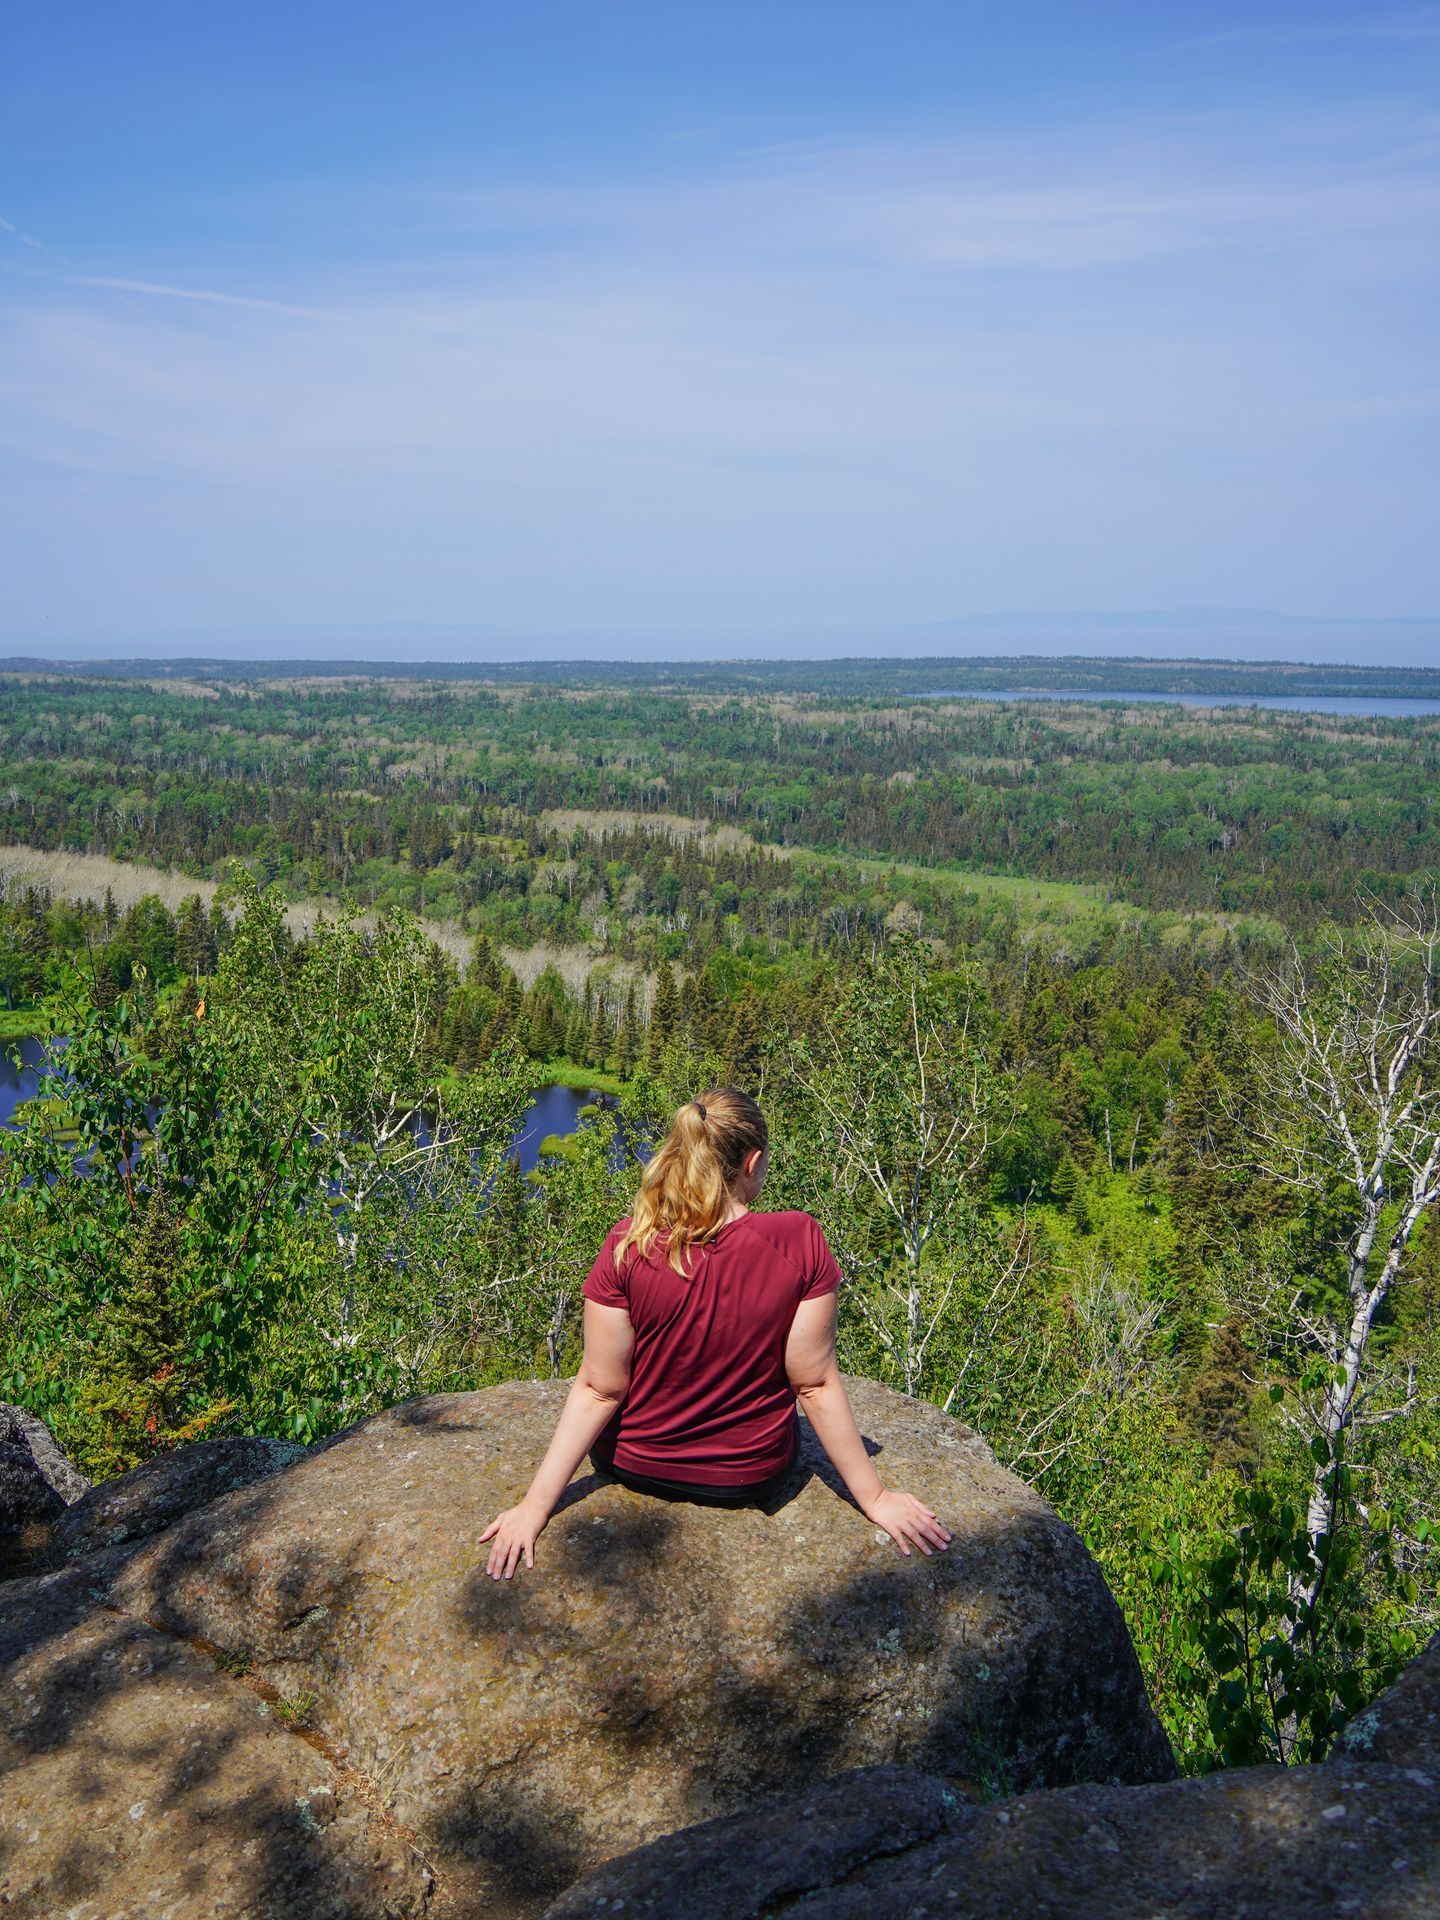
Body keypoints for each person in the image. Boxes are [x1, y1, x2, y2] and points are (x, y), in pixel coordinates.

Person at [480, 1086, 951, 1580]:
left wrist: (534, 1508)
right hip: (748, 1475)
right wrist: (875, 1498)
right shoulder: (799, 1239)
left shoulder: (627, 1242)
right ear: (752, 1163)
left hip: (634, 1462)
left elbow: (601, 1388)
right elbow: (812, 1383)